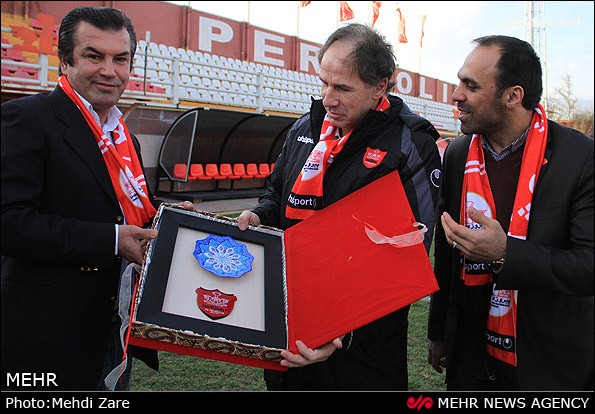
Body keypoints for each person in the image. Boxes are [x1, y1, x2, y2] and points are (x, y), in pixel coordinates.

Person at [237, 23, 442, 391]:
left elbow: (404, 257)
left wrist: (339, 333)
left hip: (362, 353)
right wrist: (260, 215)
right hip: (290, 328)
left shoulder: (411, 143)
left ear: (379, 86)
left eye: (343, 88)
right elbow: (276, 193)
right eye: (324, 83)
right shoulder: (305, 127)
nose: (328, 99)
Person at [1, 6, 194, 391]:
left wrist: (166, 216)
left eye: (120, 59)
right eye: (94, 56)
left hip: (115, 327)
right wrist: (112, 240)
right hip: (45, 336)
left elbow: (118, 204)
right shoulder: (26, 118)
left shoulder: (125, 136)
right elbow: (9, 222)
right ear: (65, 60)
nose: (109, 70)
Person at [426, 35, 594, 391]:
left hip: (544, 363)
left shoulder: (581, 158)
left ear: (513, 96)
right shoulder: (457, 154)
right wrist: (439, 331)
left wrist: (505, 254)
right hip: (468, 355)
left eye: (471, 85)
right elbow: (446, 254)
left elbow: (588, 265)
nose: (455, 95)